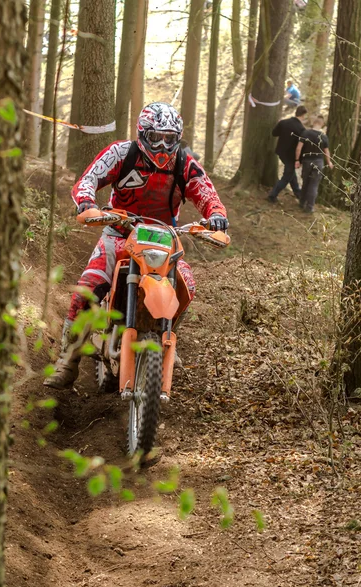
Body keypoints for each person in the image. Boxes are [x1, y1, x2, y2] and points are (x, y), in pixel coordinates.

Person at [44, 102, 229, 390]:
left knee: (187, 286)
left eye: (169, 138)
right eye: (156, 137)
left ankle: (166, 335)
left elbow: (206, 192)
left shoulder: (184, 163)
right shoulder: (122, 153)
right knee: (88, 287)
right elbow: (89, 179)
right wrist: (86, 201)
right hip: (119, 231)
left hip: (164, 236)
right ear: (143, 134)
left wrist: (216, 215)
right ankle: (68, 361)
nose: (162, 145)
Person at [267, 105, 308, 204]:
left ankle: (298, 193)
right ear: (303, 115)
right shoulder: (301, 129)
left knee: (290, 173)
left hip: (281, 153)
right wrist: (300, 160)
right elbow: (301, 147)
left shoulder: (283, 122)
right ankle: (272, 195)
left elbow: (274, 133)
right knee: (287, 176)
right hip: (292, 156)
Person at [295, 115, 333, 213]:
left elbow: (299, 148)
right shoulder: (323, 136)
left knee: (305, 183)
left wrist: (297, 160)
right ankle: (310, 207)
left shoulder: (306, 133)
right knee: (314, 185)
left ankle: (301, 202)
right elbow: (326, 152)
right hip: (319, 162)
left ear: (314, 123)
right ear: (322, 124)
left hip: (307, 161)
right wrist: (329, 162)